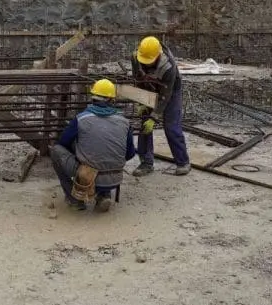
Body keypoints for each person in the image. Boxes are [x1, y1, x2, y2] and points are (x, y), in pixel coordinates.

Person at [50, 79, 136, 213]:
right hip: (115, 178)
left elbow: (63, 143)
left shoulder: (82, 119)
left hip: (88, 176)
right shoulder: (124, 121)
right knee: (105, 154)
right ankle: (104, 195)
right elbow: (130, 153)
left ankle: (75, 199)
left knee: (56, 151)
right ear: (111, 100)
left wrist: (80, 149)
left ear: (93, 98)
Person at [130, 36, 191, 176]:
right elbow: (137, 79)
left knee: (171, 126)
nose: (146, 64)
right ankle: (146, 163)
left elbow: (165, 96)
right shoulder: (135, 57)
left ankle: (183, 162)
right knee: (145, 125)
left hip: (170, 90)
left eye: (149, 62)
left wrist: (155, 116)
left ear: (158, 56)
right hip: (148, 87)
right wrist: (141, 102)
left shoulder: (168, 66)